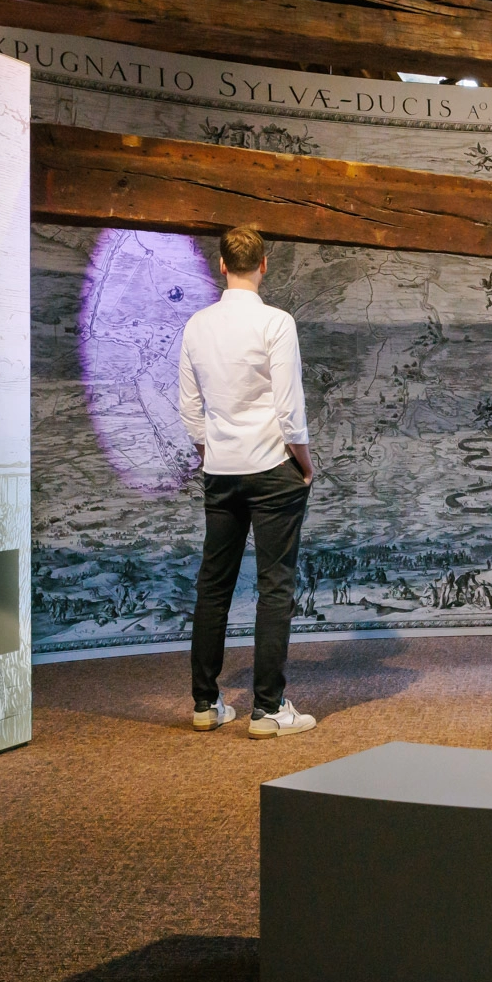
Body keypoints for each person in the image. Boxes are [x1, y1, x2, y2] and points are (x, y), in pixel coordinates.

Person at [178, 226, 318, 738]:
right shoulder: (276, 323)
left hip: (221, 470)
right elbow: (289, 407)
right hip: (273, 467)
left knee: (213, 586)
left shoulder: (197, 325)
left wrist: (211, 453)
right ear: (263, 264)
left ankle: (204, 704)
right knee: (274, 587)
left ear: (222, 265)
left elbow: (190, 409)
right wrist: (304, 463)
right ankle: (267, 710)